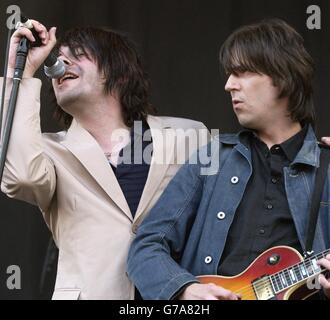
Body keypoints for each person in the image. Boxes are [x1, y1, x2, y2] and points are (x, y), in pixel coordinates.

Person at [0, 19, 208, 299]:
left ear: (119, 73)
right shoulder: (49, 152)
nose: (61, 65)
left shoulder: (190, 135)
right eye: (59, 59)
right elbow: (20, 177)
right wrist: (21, 74)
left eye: (79, 55)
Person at [127, 19, 330, 300]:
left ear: (283, 76)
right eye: (229, 73)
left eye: (242, 72)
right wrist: (185, 289)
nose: (228, 85)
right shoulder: (212, 158)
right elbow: (146, 245)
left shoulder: (326, 167)